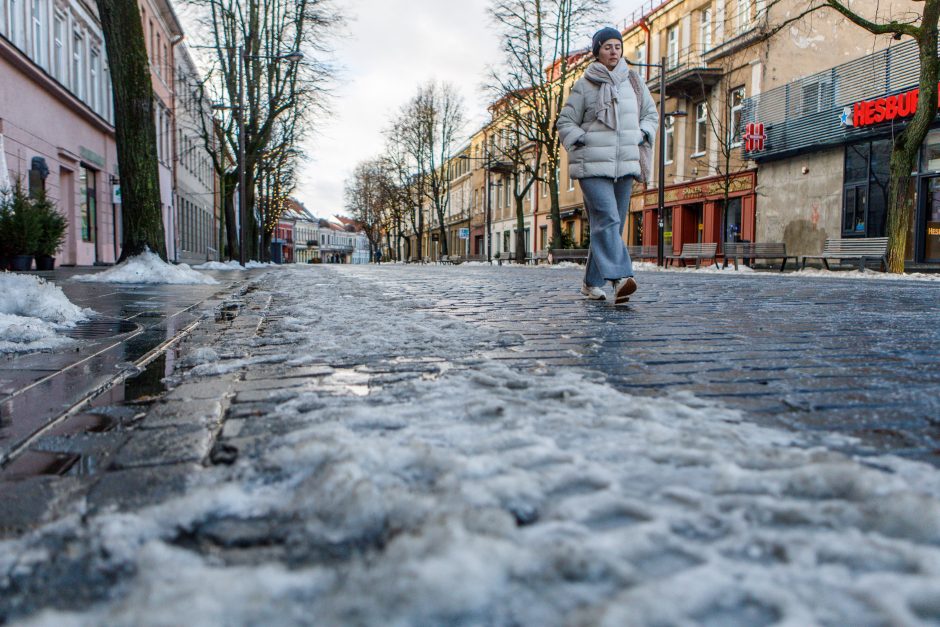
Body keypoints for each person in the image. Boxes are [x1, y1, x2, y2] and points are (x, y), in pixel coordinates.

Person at [557, 26, 658, 304]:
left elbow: (650, 114)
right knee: (608, 220)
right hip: (592, 165)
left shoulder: (634, 82)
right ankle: (621, 278)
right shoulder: (584, 85)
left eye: (617, 46)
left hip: (625, 163)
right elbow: (565, 122)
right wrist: (582, 140)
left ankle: (591, 283)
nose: (613, 52)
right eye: (607, 47)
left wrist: (642, 134)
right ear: (597, 52)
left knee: (611, 225)